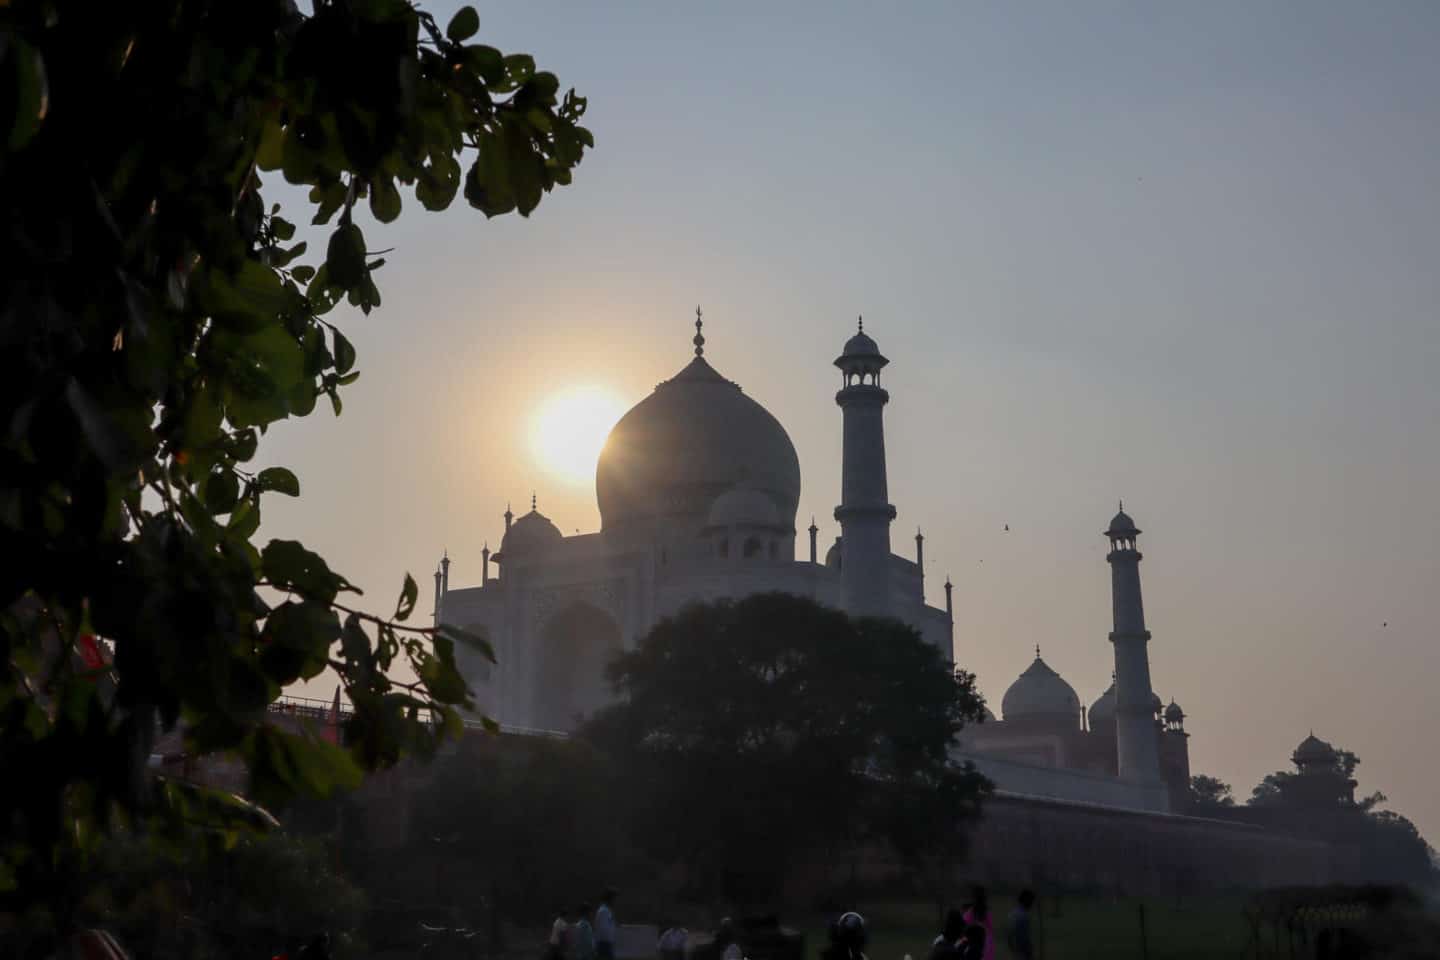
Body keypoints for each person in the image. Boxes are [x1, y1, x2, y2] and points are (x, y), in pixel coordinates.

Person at [960, 888, 992, 960]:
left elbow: (962, 931)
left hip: (974, 947)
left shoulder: (969, 914)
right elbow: (990, 931)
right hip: (987, 946)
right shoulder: (987, 914)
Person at [1006, 890, 1036, 960]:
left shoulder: (1012, 913)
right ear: (1027, 901)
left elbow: (1009, 935)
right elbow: (1023, 938)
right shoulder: (1024, 916)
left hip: (1015, 950)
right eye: (1031, 901)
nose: (1032, 905)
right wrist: (1029, 953)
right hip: (1023, 951)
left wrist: (1013, 949)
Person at [595, 889, 618, 960]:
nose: (615, 901)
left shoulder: (607, 910)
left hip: (606, 944)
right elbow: (603, 930)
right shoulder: (603, 911)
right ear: (609, 899)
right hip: (604, 945)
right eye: (614, 898)